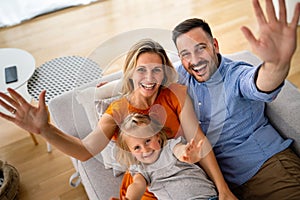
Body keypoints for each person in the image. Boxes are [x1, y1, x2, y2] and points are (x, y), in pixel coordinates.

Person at [0, 39, 236, 199]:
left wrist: (224, 190)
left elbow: (199, 140)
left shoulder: (175, 95)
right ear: (131, 72)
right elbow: (85, 150)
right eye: (142, 70)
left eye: (157, 70)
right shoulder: (118, 111)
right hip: (147, 188)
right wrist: (44, 129)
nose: (150, 78)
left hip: (187, 182)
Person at [171, 0, 300, 199]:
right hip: (224, 183)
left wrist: (276, 64)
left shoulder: (236, 76)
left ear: (215, 45)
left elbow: (260, 83)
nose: (195, 60)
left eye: (201, 48)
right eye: (186, 54)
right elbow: (145, 76)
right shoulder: (181, 74)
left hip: (267, 169)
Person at [115, 113, 217, 200]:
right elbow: (138, 185)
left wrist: (187, 153)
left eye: (147, 141)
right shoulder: (140, 168)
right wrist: (130, 198)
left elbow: (180, 150)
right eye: (137, 148)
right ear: (131, 152)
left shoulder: (170, 146)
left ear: (157, 135)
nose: (145, 150)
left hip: (207, 196)